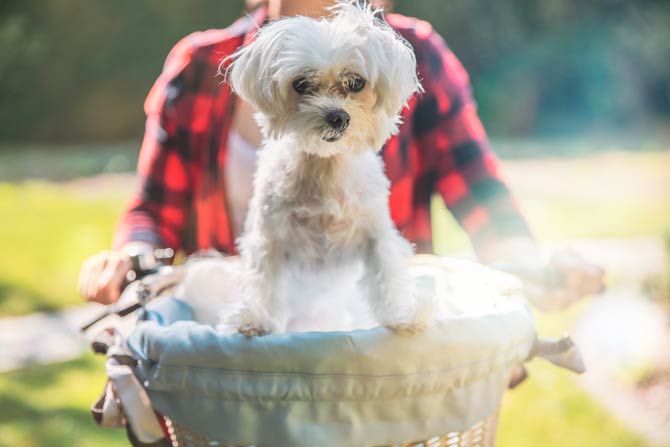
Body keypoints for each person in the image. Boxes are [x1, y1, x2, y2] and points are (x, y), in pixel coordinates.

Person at [78, 0, 603, 310]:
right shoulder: (199, 66)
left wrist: (532, 265)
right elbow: (153, 209)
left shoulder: (414, 57)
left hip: (372, 356)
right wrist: (130, 256)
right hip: (238, 361)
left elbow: (480, 192)